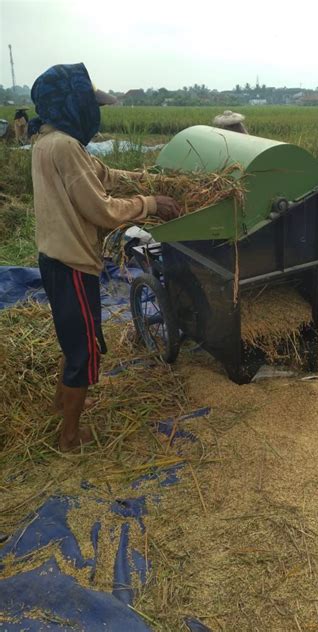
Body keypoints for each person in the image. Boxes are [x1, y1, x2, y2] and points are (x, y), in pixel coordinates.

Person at [29, 63, 180, 452]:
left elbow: (100, 173)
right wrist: (149, 203)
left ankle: (60, 407)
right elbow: (102, 210)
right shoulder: (64, 146)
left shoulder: (48, 140)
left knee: (74, 340)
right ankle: (69, 439)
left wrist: (144, 177)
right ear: (73, 104)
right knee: (86, 350)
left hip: (54, 257)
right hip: (73, 262)